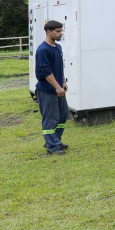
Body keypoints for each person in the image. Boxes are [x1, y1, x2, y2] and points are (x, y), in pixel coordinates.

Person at [35, 20, 69, 155]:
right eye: (58, 31)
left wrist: (63, 82)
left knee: (62, 115)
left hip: (58, 88)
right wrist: (57, 87)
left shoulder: (57, 47)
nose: (61, 33)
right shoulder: (43, 50)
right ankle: (52, 146)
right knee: (50, 118)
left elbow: (59, 67)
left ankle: (55, 140)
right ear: (48, 32)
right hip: (48, 90)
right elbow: (46, 71)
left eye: (61, 30)